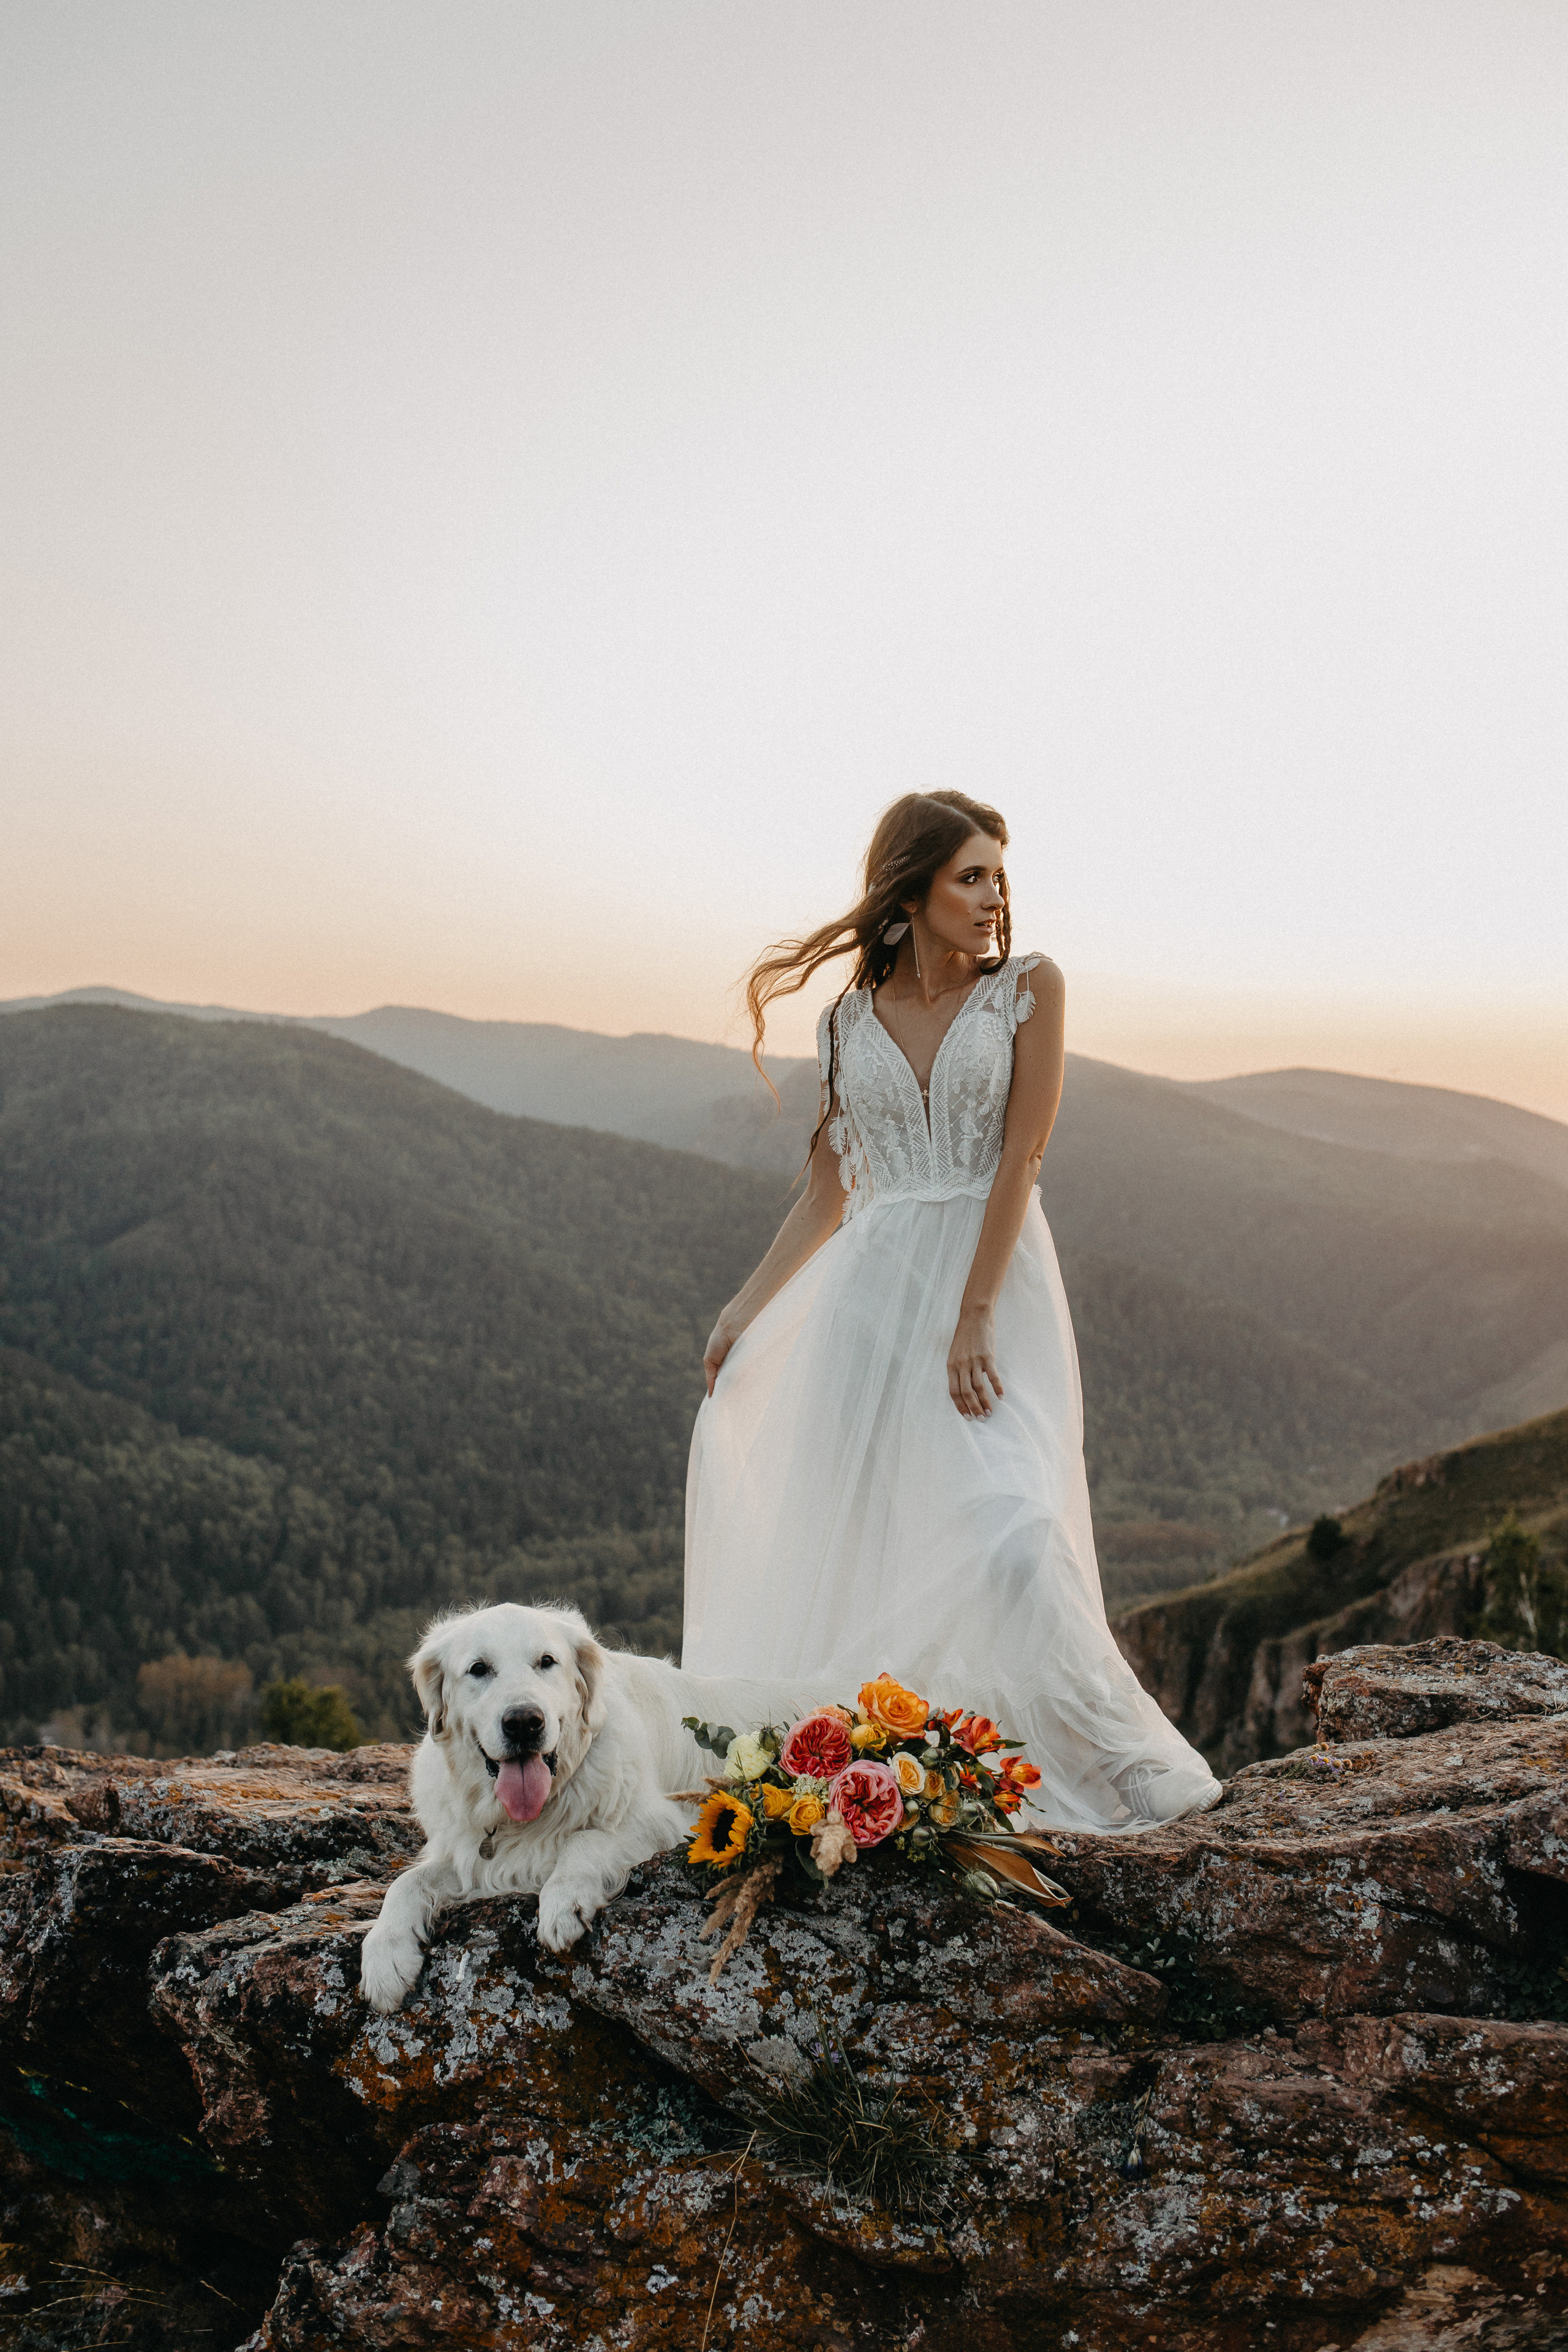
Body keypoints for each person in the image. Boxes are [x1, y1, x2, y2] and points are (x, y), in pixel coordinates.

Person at [682, 791, 1221, 1831]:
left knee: (1014, 1531)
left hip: (995, 1287)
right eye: (970, 876)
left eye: (998, 878)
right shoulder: (848, 1018)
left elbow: (1022, 1153)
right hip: (869, 1307)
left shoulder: (1029, 989)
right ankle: (899, 1772)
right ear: (913, 884)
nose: (992, 898)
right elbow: (830, 1191)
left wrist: (973, 1315)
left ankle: (1119, 1761)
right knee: (878, 1544)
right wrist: (744, 1309)